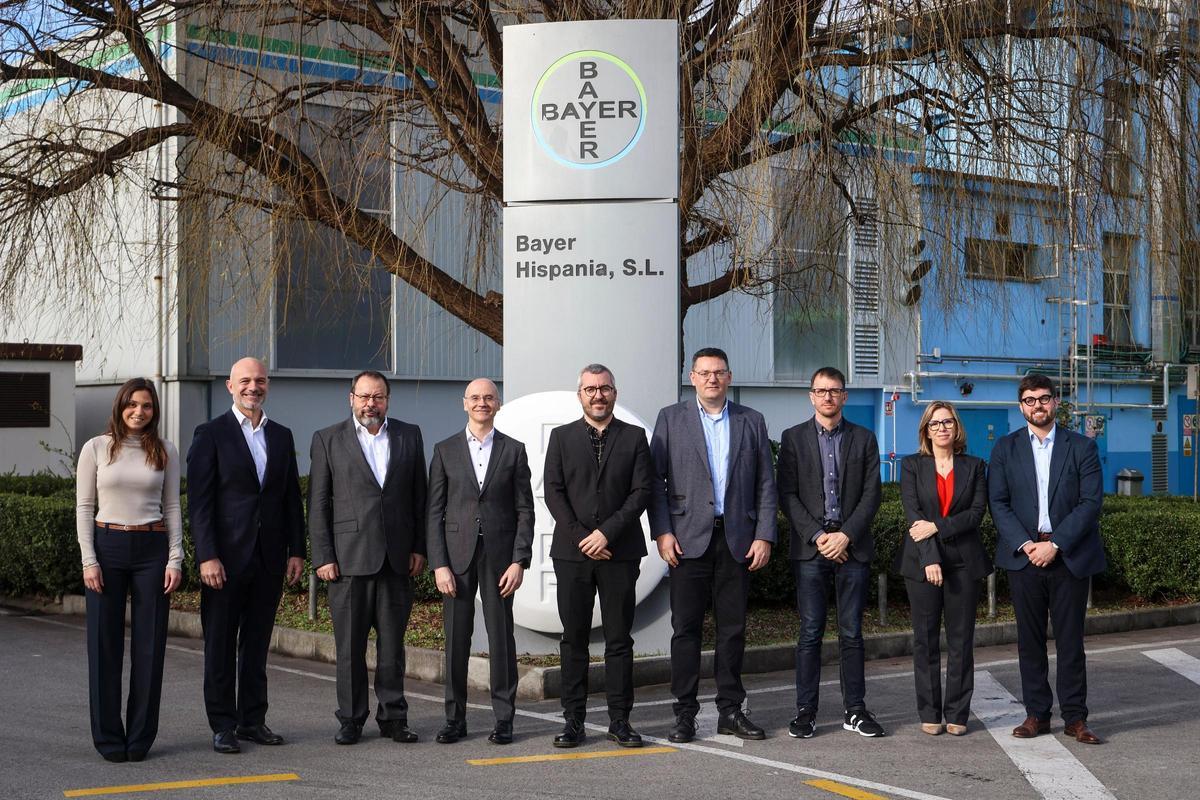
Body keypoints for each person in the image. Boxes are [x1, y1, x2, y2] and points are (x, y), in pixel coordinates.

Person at [649, 347, 777, 743]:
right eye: (704, 373)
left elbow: (766, 483)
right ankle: (684, 714)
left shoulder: (751, 420)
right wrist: (663, 532)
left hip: (737, 540)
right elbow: (655, 481)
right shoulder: (671, 419)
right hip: (687, 540)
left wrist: (764, 534)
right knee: (685, 630)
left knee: (733, 630)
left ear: (729, 377)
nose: (711, 379)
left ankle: (730, 711)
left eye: (718, 372)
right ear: (692, 378)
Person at [187, 357, 305, 754]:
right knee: (220, 646)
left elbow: (291, 498)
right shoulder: (210, 434)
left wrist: (297, 550)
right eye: (245, 381)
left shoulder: (281, 436)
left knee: (256, 646)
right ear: (230, 385)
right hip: (224, 561)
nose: (253, 387)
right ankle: (223, 724)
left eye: (260, 380)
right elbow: (200, 504)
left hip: (269, 559)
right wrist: (207, 555)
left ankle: (252, 721)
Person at [309, 370, 428, 745]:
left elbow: (420, 498)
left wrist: (419, 547)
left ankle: (394, 718)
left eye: (377, 397)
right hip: (347, 561)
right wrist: (323, 555)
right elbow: (318, 503)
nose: (370, 404)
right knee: (349, 648)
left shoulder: (409, 435)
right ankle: (351, 719)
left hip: (396, 560)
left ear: (387, 400)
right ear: (351, 399)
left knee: (392, 648)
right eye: (364, 397)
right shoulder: (328, 439)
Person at [543, 363, 654, 748]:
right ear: (580, 395)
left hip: (620, 551)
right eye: (590, 389)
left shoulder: (634, 437)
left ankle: (620, 721)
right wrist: (583, 537)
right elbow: (553, 492)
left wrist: (606, 532)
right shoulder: (561, 437)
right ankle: (573, 721)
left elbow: (641, 492)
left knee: (619, 639)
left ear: (614, 393)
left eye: (604, 388)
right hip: (572, 554)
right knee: (573, 639)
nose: (598, 395)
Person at [989, 375, 1104, 744]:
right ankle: (1037, 714)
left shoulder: (1082, 447)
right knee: (1030, 641)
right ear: (1021, 406)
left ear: (1056, 402)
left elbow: (1090, 503)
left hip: (1068, 557)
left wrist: (1056, 544)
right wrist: (1027, 545)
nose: (1037, 405)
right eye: (1029, 400)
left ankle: (1075, 718)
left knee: (1071, 642)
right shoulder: (1004, 449)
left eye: (1043, 398)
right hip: (1024, 558)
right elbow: (998, 503)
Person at [76, 378, 183, 762]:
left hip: (152, 549)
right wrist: (89, 560)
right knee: (104, 646)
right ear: (120, 406)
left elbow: (172, 507)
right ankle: (108, 738)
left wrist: (175, 558)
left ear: (155, 410)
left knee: (149, 647)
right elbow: (84, 507)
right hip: (107, 547)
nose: (139, 412)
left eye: (147, 406)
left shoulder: (165, 450)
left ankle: (140, 738)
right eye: (132, 404)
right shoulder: (96, 448)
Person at [776, 366, 883, 739]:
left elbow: (872, 494)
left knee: (852, 632)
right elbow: (787, 494)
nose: (827, 397)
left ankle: (855, 710)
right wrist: (820, 536)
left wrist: (845, 536)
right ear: (811, 396)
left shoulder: (864, 438)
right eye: (821, 391)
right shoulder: (792, 439)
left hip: (852, 549)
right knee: (810, 632)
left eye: (834, 390)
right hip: (811, 550)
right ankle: (806, 711)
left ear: (844, 396)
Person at [427, 378, 534, 746]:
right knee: (456, 641)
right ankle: (454, 719)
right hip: (456, 558)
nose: (482, 403)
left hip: (500, 558)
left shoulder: (514, 450)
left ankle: (504, 719)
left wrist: (520, 560)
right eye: (475, 397)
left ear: (498, 404)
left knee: (501, 639)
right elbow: (434, 511)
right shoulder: (444, 450)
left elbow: (525, 510)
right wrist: (439, 564)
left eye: (489, 397)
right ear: (464, 403)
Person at [896, 401, 990, 736]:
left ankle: (957, 714)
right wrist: (930, 557)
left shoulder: (975, 466)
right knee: (925, 639)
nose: (942, 428)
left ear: (956, 427)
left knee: (961, 641)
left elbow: (975, 514)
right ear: (926, 430)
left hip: (964, 562)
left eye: (947, 422)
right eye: (934, 424)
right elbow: (913, 515)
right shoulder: (912, 466)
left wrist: (936, 526)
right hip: (923, 562)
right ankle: (930, 712)